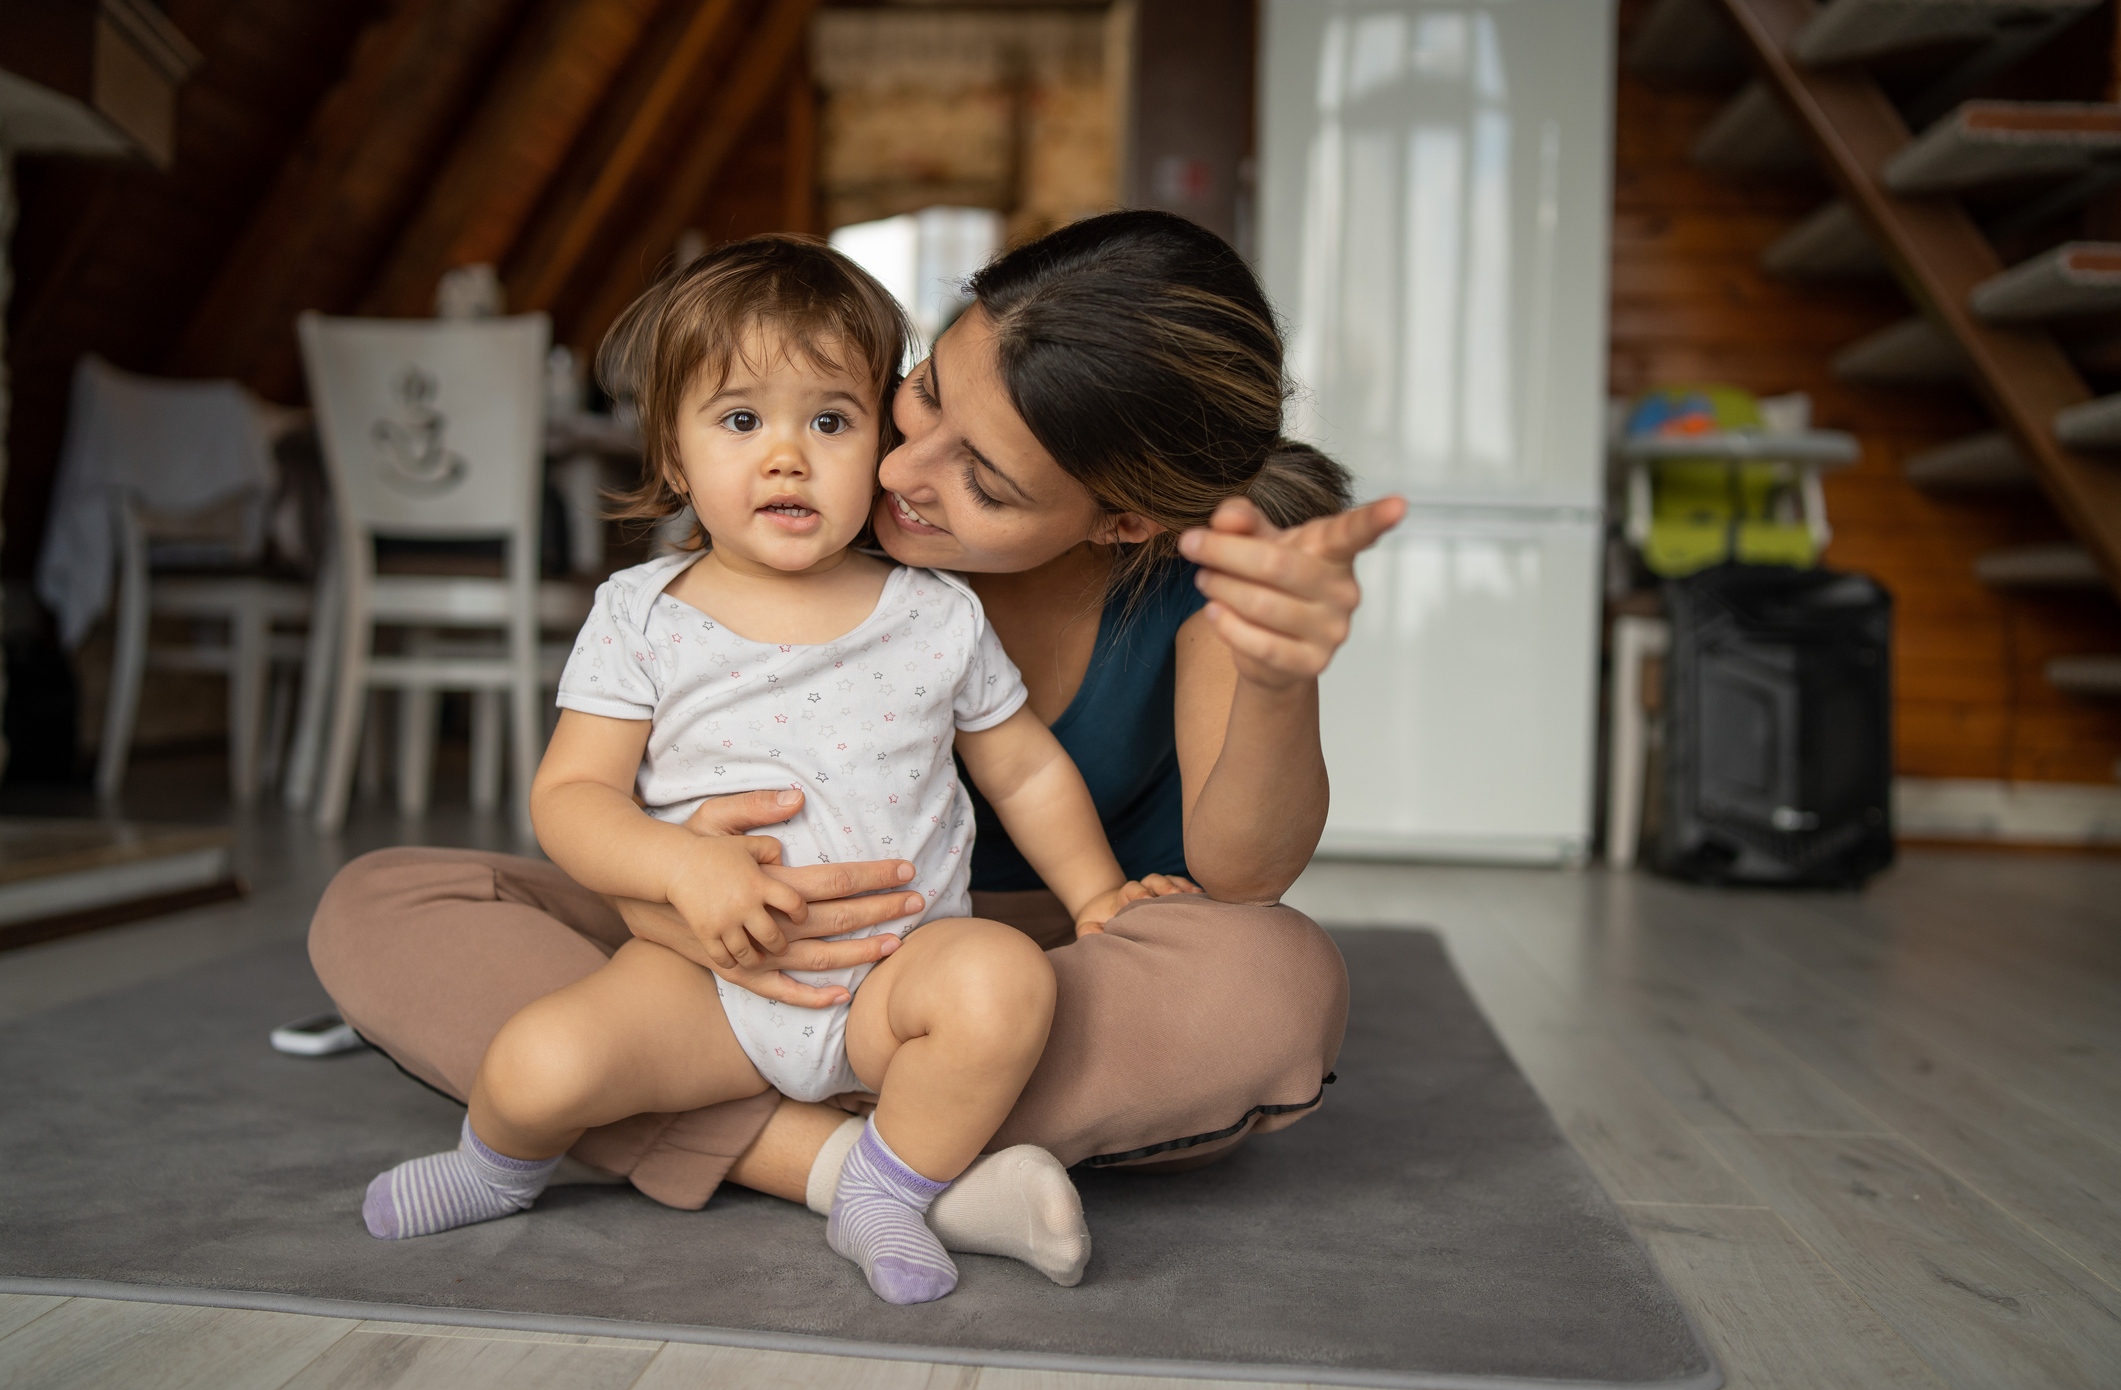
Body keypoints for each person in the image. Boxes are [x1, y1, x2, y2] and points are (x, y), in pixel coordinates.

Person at [309, 209, 1406, 1286]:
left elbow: (1233, 873)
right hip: (705, 945)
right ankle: (878, 1169)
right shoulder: (670, 599)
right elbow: (581, 797)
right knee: (381, 903)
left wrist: (1272, 683)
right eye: (920, 393)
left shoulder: (1144, 594)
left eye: (981, 476)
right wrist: (671, 887)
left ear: (1117, 519)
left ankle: (815, 1138)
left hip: (976, 965)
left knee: (1275, 980)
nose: (893, 468)